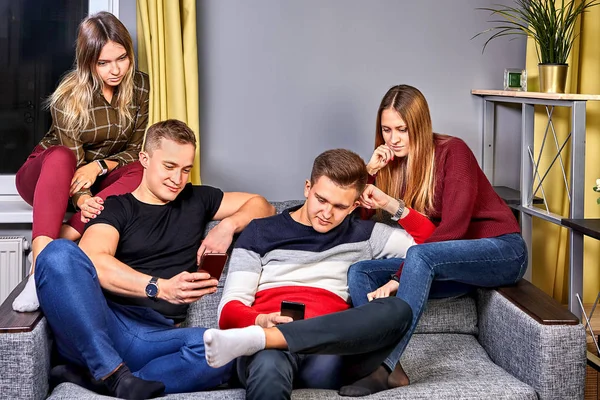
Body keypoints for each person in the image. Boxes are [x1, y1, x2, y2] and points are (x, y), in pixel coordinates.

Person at [34, 119, 276, 399]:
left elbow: (263, 205)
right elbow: (94, 259)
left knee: (226, 348)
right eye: (169, 167)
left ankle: (105, 380)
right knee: (58, 253)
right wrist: (160, 287)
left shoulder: (197, 199)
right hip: (103, 323)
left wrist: (227, 226)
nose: (178, 179)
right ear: (144, 159)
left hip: (154, 337)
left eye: (186, 169)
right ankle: (111, 371)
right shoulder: (116, 207)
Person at [205, 149, 436, 399]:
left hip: (330, 356)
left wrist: (389, 204)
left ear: (354, 206)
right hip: (268, 354)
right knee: (268, 362)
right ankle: (270, 339)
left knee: (397, 310)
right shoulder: (260, 232)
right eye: (322, 200)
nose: (327, 214)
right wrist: (260, 322)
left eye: (339, 206)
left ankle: (271, 338)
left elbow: (432, 243)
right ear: (307, 188)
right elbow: (229, 309)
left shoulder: (366, 235)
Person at [348, 84, 528, 386]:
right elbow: (359, 220)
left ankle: (384, 368)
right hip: (453, 261)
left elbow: (453, 231)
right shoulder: (395, 166)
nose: (393, 140)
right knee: (359, 272)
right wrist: (370, 172)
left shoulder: (452, 151)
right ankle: (382, 362)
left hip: (502, 250)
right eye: (386, 130)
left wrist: (397, 278)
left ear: (419, 126)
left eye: (402, 130)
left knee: (418, 256)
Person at [13, 11, 150, 312]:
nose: (116, 70)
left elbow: (136, 148)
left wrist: (99, 167)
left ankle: (67, 235)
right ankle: (39, 272)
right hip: (48, 176)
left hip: (97, 181)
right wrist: (82, 195)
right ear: (89, 62)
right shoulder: (69, 95)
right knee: (61, 156)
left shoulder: (140, 87)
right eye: (104, 62)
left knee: (143, 167)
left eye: (122, 58)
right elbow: (71, 158)